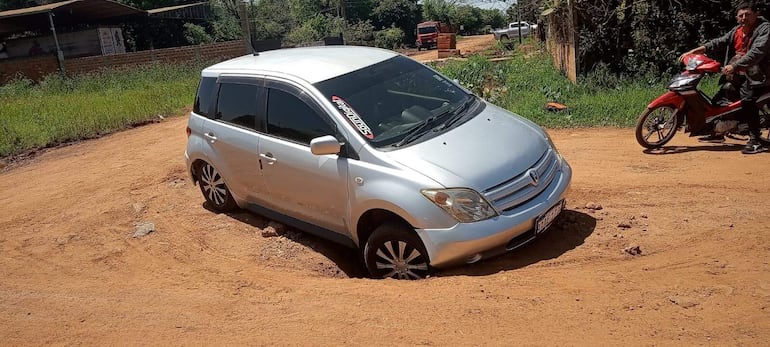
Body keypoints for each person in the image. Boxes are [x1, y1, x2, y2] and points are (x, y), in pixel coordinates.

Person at [680, 1, 770, 154]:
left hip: (758, 76)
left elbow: (757, 52)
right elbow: (720, 42)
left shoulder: (764, 29)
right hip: (737, 74)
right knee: (719, 100)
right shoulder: (737, 31)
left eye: (747, 15)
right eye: (740, 15)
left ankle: (755, 140)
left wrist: (734, 66)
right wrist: (698, 50)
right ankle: (717, 132)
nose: (744, 18)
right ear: (736, 18)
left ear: (756, 14)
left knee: (748, 101)